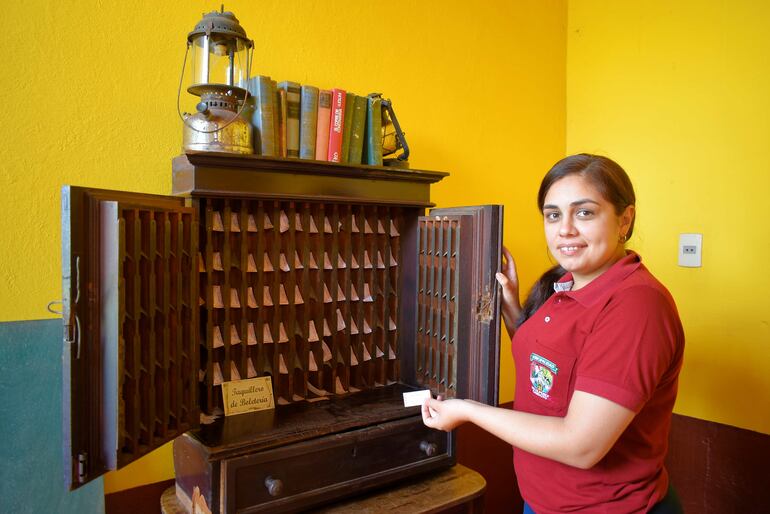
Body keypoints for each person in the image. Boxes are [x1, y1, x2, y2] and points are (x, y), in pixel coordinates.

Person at [421, 154, 685, 513]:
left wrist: (469, 411)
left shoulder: (635, 306)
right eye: (553, 214)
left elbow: (581, 445)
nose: (565, 230)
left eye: (585, 213)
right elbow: (549, 372)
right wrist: (512, 309)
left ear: (625, 220)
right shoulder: (565, 287)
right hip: (543, 502)